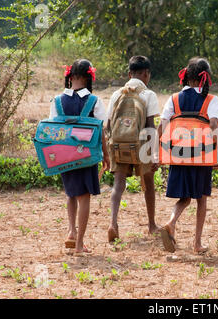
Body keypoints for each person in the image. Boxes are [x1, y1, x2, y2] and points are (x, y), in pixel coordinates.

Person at [158, 57, 218, 254]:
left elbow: (162, 125)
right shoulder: (210, 100)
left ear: (187, 77)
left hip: (178, 153)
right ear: (205, 78)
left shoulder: (174, 98)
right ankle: (197, 243)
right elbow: (213, 125)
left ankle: (171, 222)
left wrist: (157, 151)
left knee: (184, 198)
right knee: (201, 199)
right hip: (201, 155)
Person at [49, 59, 110, 255]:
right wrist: (106, 155)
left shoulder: (57, 101)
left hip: (64, 155)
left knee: (71, 194)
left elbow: (52, 128)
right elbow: (102, 131)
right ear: (88, 77)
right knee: (84, 197)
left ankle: (71, 232)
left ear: (71, 76)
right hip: (87, 156)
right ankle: (79, 244)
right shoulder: (94, 101)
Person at [106, 56, 160, 242]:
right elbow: (150, 126)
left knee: (118, 184)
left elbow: (108, 124)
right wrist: (154, 153)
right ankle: (152, 225)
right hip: (142, 144)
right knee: (149, 184)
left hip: (119, 144)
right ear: (146, 74)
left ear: (129, 74)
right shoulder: (149, 95)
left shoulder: (116, 94)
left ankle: (113, 223)